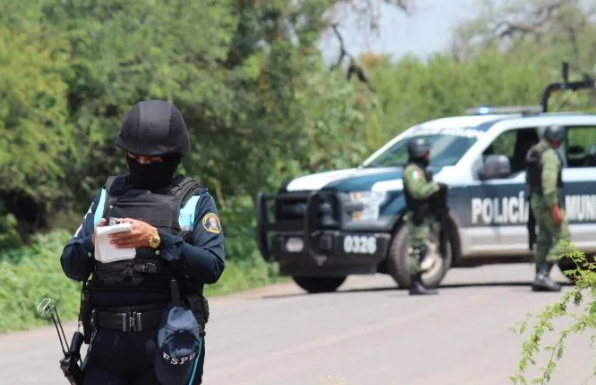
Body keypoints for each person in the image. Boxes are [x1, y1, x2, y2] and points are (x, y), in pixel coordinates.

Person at [60, 100, 225, 385]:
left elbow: (212, 266)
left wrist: (158, 240)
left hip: (167, 342)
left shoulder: (194, 200)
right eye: (135, 158)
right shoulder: (108, 197)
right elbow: (70, 264)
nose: (142, 165)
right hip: (107, 348)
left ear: (172, 158)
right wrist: (93, 243)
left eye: (152, 160)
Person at [525, 124, 569, 292]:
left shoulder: (536, 151)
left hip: (536, 201)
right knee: (563, 238)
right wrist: (555, 208)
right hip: (547, 203)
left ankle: (538, 276)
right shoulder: (550, 155)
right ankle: (544, 274)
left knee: (543, 239)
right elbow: (549, 183)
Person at [402, 137, 447, 296]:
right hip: (417, 216)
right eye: (427, 152)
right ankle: (415, 283)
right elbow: (418, 192)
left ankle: (418, 282)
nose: (429, 155)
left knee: (421, 247)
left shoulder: (419, 169)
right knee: (417, 249)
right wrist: (435, 187)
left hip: (423, 214)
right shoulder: (413, 171)